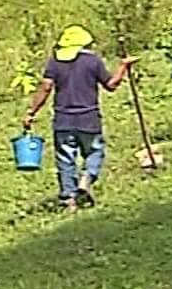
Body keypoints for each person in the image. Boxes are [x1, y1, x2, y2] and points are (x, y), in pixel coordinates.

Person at [22, 25, 134, 211]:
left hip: (63, 120)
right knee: (94, 152)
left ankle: (68, 199)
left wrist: (31, 112)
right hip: (89, 118)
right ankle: (86, 179)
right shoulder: (93, 61)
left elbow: (45, 88)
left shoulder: (54, 62)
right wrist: (123, 67)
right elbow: (111, 85)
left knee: (65, 159)